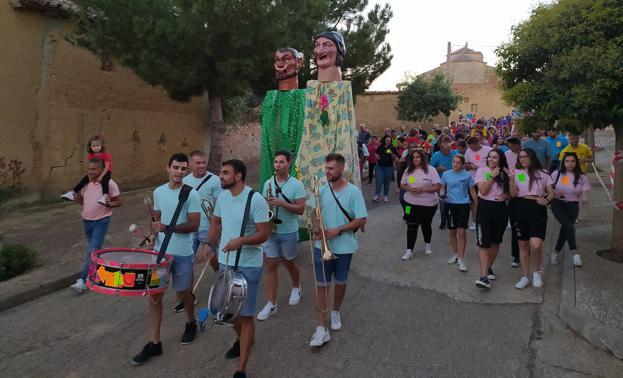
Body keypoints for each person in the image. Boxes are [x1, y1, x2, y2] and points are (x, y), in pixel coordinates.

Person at [203, 159, 270, 378]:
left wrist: (241, 241)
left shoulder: (256, 200)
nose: (220, 176)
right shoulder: (222, 197)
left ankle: (241, 369)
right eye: (221, 173)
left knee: (247, 315)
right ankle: (243, 339)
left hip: (249, 265)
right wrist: (208, 244)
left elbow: (264, 233)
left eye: (225, 173)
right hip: (225, 263)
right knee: (229, 313)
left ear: (238, 175)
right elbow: (217, 223)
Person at [132, 153, 201, 365]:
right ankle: (154, 343)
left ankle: (191, 322)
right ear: (168, 168)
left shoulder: (191, 194)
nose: (179, 172)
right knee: (154, 297)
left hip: (182, 252)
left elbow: (194, 225)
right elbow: (158, 220)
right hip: (161, 254)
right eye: (176, 168)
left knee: (182, 293)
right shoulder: (159, 192)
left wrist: (166, 228)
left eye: (183, 169)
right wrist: (153, 236)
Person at [310, 153, 367, 347]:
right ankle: (320, 328)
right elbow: (314, 213)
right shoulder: (321, 190)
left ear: (341, 169)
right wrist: (316, 227)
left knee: (341, 281)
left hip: (344, 247)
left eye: (331, 168)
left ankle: (335, 311)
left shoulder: (353, 192)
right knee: (321, 285)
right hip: (321, 247)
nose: (327, 172)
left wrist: (339, 229)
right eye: (326, 168)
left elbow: (361, 219)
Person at [257, 151, 306, 321]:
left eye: (281, 162)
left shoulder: (296, 185)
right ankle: (271, 303)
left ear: (289, 164)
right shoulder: (268, 183)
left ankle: (296, 286)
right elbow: (263, 205)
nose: (277, 165)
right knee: (270, 266)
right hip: (271, 232)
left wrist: (281, 203)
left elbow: (300, 209)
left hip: (288, 231)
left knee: (289, 263)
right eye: (276, 162)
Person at [174, 150, 221, 313]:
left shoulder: (215, 181)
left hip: (208, 229)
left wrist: (216, 232)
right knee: (186, 264)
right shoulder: (185, 181)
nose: (201, 166)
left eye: (204, 162)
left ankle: (221, 282)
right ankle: (189, 297)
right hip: (190, 229)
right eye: (198, 163)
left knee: (212, 259)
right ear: (191, 164)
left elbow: (218, 208)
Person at [69, 157, 121, 293]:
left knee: (91, 251)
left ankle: (82, 281)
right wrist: (77, 198)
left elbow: (119, 202)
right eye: (88, 169)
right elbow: (82, 202)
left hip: (102, 220)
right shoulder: (85, 184)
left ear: (101, 170)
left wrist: (110, 203)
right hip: (87, 221)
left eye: (94, 169)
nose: (90, 172)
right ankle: (99, 271)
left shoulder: (109, 183)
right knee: (95, 251)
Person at [510, 148, 555, 290]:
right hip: (520, 206)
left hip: (537, 207)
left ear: (532, 157)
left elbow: (552, 192)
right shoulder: (516, 173)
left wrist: (547, 200)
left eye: (525, 156)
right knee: (523, 244)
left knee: (536, 244)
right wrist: (511, 181)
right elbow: (513, 194)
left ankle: (536, 272)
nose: (522, 159)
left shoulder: (543, 174)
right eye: (520, 157)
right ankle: (524, 276)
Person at [474, 150, 511, 289]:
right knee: (483, 243)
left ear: (500, 159)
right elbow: (483, 190)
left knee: (496, 242)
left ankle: (488, 267)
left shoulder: (506, 172)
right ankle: (483, 276)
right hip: (484, 208)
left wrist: (507, 196)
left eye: (495, 157)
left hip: (500, 209)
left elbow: (512, 193)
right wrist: (492, 176)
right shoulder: (482, 171)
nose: (491, 159)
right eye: (489, 156)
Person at [550, 153, 591, 267]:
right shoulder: (557, 174)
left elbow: (585, 194)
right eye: (567, 161)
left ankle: (556, 252)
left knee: (565, 229)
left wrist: (584, 200)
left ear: (576, 163)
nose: (570, 164)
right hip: (558, 204)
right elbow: (549, 187)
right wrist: (553, 193)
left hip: (573, 206)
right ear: (563, 162)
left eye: (572, 161)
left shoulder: (582, 177)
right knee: (569, 226)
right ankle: (575, 253)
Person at [400, 149, 441, 260]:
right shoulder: (408, 170)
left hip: (428, 205)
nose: (415, 159)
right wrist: (409, 188)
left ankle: (427, 244)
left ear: (423, 158)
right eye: (413, 157)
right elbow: (402, 185)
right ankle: (409, 250)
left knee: (426, 224)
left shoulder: (431, 170)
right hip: (409, 203)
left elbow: (437, 187)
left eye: (418, 157)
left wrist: (423, 189)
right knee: (411, 225)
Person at [440, 155, 476, 272]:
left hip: (463, 205)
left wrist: (478, 203)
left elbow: (472, 190)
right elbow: (442, 188)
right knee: (452, 231)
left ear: (462, 164)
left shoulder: (467, 175)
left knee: (461, 232)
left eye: (458, 163)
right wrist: (442, 194)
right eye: (453, 162)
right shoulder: (446, 174)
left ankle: (461, 258)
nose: (455, 165)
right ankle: (455, 254)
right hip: (450, 205)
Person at [62, 135, 113, 205]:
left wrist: (101, 176)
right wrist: (90, 176)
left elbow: (107, 167)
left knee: (105, 181)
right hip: (96, 171)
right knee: (84, 179)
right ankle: (73, 192)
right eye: (93, 146)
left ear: (101, 146)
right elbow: (90, 166)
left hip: (105, 171)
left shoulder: (105, 155)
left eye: (97, 145)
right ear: (90, 147)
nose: (96, 148)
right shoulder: (91, 156)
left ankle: (104, 196)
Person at [464, 136, 492, 231]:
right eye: (470, 147)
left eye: (473, 147)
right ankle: (475, 221)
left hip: (486, 179)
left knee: (487, 200)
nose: (471, 149)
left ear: (477, 144)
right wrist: (470, 166)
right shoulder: (468, 151)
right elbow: (465, 164)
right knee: (474, 202)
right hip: (472, 179)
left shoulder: (488, 150)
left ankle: (488, 220)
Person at [430, 139, 457, 229]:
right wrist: (438, 169)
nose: (447, 151)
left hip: (453, 183)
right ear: (441, 148)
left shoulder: (454, 154)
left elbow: (461, 165)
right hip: (442, 185)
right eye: (446, 149)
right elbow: (431, 169)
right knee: (443, 203)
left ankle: (451, 220)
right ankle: (443, 221)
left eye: (449, 149)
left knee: (452, 202)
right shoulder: (436, 156)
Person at [505, 137, 522, 267]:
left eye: (512, 146)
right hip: (512, 190)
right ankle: (516, 256)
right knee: (516, 226)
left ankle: (525, 252)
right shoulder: (506, 154)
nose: (510, 148)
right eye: (509, 146)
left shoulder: (525, 153)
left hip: (525, 193)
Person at [373, 135, 398, 203]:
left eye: (389, 140)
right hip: (379, 167)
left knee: (386, 182)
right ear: (384, 140)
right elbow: (376, 153)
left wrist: (392, 154)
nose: (388, 142)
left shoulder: (393, 147)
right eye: (387, 140)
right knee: (379, 181)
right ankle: (377, 195)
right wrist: (377, 156)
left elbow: (395, 157)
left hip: (389, 167)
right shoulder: (380, 147)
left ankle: (385, 196)